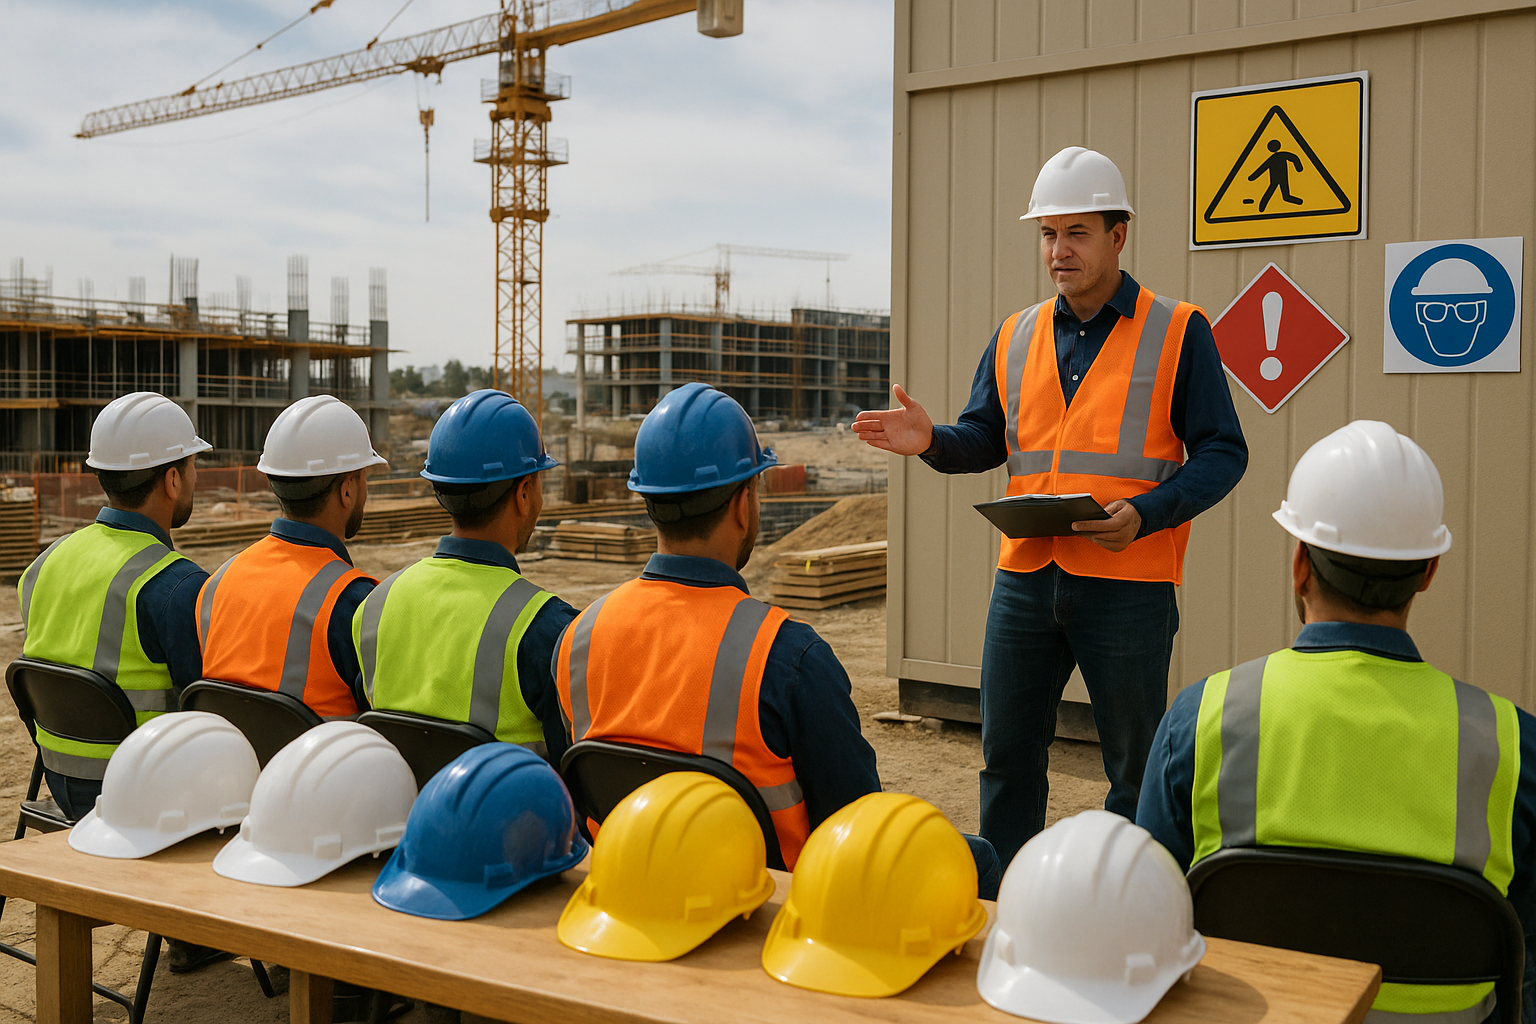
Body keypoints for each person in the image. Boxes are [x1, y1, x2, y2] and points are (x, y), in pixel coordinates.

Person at [851, 145, 1248, 869]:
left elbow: (1224, 452)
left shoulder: (1179, 329)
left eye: (1077, 233)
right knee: (1006, 755)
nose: (1058, 251)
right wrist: (930, 439)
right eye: (1047, 234)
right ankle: (1008, 903)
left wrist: (1149, 512)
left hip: (1129, 583)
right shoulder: (1016, 332)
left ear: (1118, 235)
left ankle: (1130, 897)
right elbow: (985, 437)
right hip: (1026, 578)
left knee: (1132, 768)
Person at [1137, 420, 1536, 1024]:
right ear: (1428, 571)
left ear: (1299, 563)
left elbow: (1148, 922)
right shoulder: (1515, 745)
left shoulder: (1202, 718)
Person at [555, 382, 1001, 896]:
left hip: (632, 887)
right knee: (982, 857)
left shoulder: (577, 637)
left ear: (648, 502)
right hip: (768, 905)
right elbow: (858, 829)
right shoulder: (789, 656)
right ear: (744, 504)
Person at [17, 391, 232, 974]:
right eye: (191, 467)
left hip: (59, 782)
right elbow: (208, 711)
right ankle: (192, 927)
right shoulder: (173, 584)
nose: (193, 479)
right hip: (138, 803)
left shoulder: (46, 562)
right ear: (170, 481)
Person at [353, 390, 574, 762]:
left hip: (400, 815)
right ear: (523, 494)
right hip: (509, 818)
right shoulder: (547, 629)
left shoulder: (374, 605)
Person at [196, 395, 385, 717]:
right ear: (348, 489)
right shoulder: (357, 602)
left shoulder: (217, 583)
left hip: (233, 764)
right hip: (323, 766)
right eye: (364, 478)